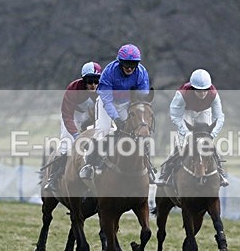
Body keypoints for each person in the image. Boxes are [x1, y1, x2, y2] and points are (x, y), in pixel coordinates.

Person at [79, 44, 150, 180]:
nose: (130, 68)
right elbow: (107, 101)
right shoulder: (109, 72)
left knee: (136, 131)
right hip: (107, 103)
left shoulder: (141, 73)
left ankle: (147, 167)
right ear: (120, 62)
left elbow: (142, 97)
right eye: (126, 64)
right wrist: (116, 118)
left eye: (133, 64)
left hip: (126, 104)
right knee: (103, 131)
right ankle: (88, 165)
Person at [155, 69, 228, 187]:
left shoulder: (214, 94)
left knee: (207, 143)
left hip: (204, 112)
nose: (203, 93)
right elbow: (175, 115)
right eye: (199, 91)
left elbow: (219, 117)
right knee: (182, 144)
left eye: (205, 90)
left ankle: (220, 171)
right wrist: (186, 132)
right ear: (193, 89)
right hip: (186, 112)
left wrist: (212, 134)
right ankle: (165, 173)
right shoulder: (182, 94)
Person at [43, 61, 101, 191]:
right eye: (90, 82)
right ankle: (54, 177)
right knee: (66, 144)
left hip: (93, 118)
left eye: (96, 81)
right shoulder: (73, 88)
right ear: (84, 80)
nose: (93, 85)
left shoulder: (103, 89)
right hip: (74, 116)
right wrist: (75, 134)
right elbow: (67, 115)